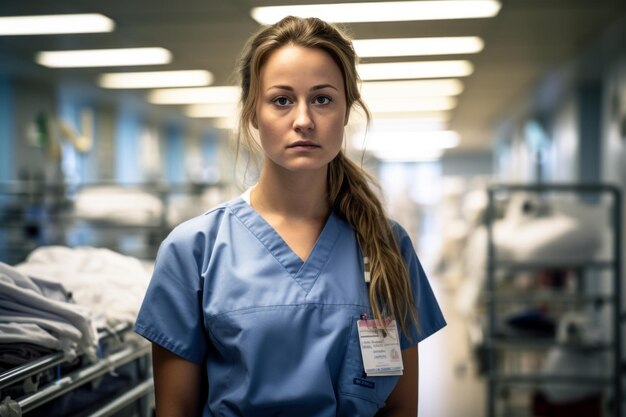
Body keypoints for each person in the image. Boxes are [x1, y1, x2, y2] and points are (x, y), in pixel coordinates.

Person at [135, 15, 446, 417]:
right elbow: (175, 410)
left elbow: (401, 408)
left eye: (322, 99)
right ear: (252, 112)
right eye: (282, 100)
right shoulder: (193, 251)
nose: (303, 120)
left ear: (346, 111)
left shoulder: (386, 245)